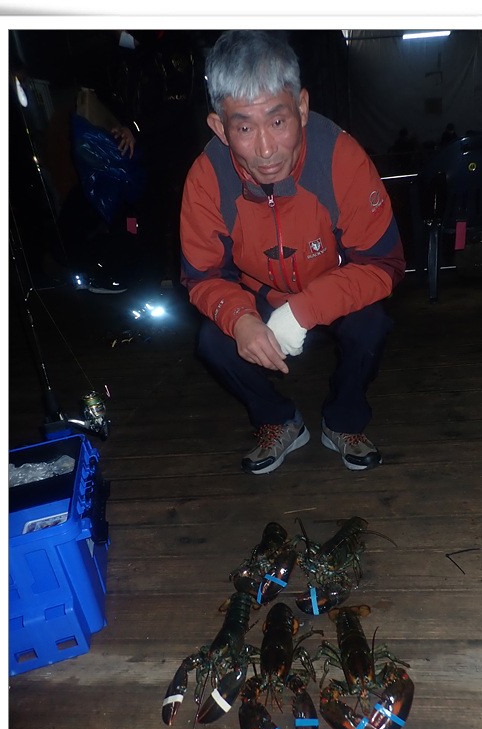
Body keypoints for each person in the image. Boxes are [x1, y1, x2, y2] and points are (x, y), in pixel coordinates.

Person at [180, 30, 406, 474]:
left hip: (333, 283)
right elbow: (202, 276)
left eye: (278, 122)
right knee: (211, 340)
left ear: (301, 107)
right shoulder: (205, 179)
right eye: (244, 128)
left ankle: (344, 421)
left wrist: (304, 311)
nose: (266, 150)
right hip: (258, 294)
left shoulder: (342, 157)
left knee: (371, 323)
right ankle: (277, 419)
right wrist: (239, 319)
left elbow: (385, 263)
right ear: (220, 128)